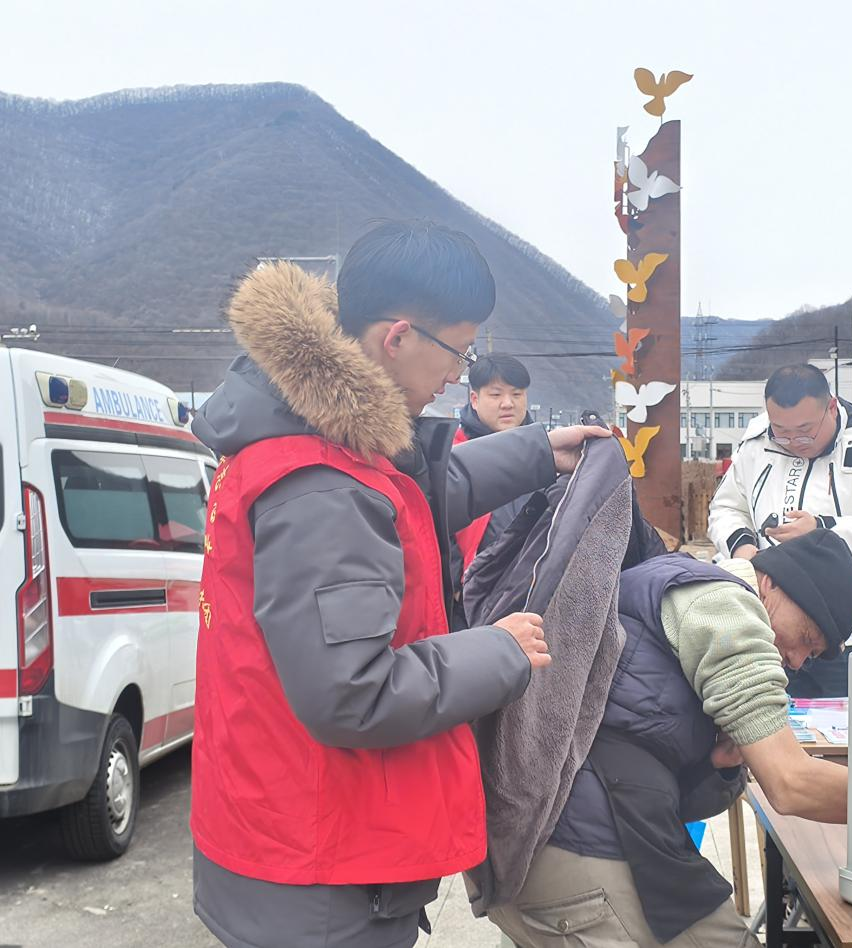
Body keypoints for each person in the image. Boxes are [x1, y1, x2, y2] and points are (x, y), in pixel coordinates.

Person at [188, 220, 608, 948]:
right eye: (458, 352)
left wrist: (540, 453)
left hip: (292, 829)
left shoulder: (315, 433)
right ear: (399, 337)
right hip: (322, 872)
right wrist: (499, 651)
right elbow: (353, 693)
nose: (457, 376)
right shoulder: (320, 488)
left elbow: (409, 491)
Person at [487, 529, 852, 948]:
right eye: (805, 638)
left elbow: (647, 759)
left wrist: (720, 764)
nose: (796, 661)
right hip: (581, 851)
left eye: (812, 655)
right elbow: (790, 785)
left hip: (540, 837)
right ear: (770, 584)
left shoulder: (678, 583)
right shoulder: (727, 608)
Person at [708, 363, 852, 697]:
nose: (793, 442)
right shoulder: (757, 441)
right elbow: (726, 508)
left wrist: (822, 531)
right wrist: (743, 549)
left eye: (805, 431)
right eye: (782, 431)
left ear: (831, 407)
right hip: (769, 627)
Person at [452, 354, 535, 575]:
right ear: (475, 399)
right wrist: (456, 581)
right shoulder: (453, 455)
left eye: (516, 394)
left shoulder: (546, 453)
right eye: (496, 395)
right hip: (474, 584)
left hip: (535, 582)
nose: (508, 404)